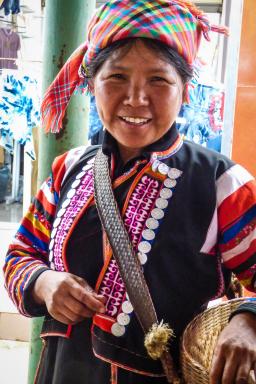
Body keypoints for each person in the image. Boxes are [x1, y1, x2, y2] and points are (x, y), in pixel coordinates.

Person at [4, 1, 256, 383]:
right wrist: (43, 282)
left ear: (185, 90)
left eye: (158, 80)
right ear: (91, 85)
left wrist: (247, 319)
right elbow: (20, 254)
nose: (136, 99)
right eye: (117, 78)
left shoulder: (222, 184)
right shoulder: (66, 170)